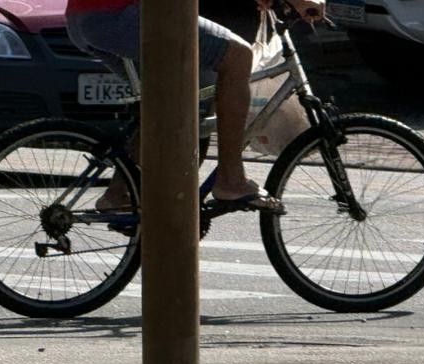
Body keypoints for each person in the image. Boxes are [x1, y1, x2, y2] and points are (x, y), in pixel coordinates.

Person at [65, 0, 324, 212]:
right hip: (124, 14)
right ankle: (230, 180)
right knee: (238, 56)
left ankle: (119, 193)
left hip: (87, 18)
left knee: (170, 104)